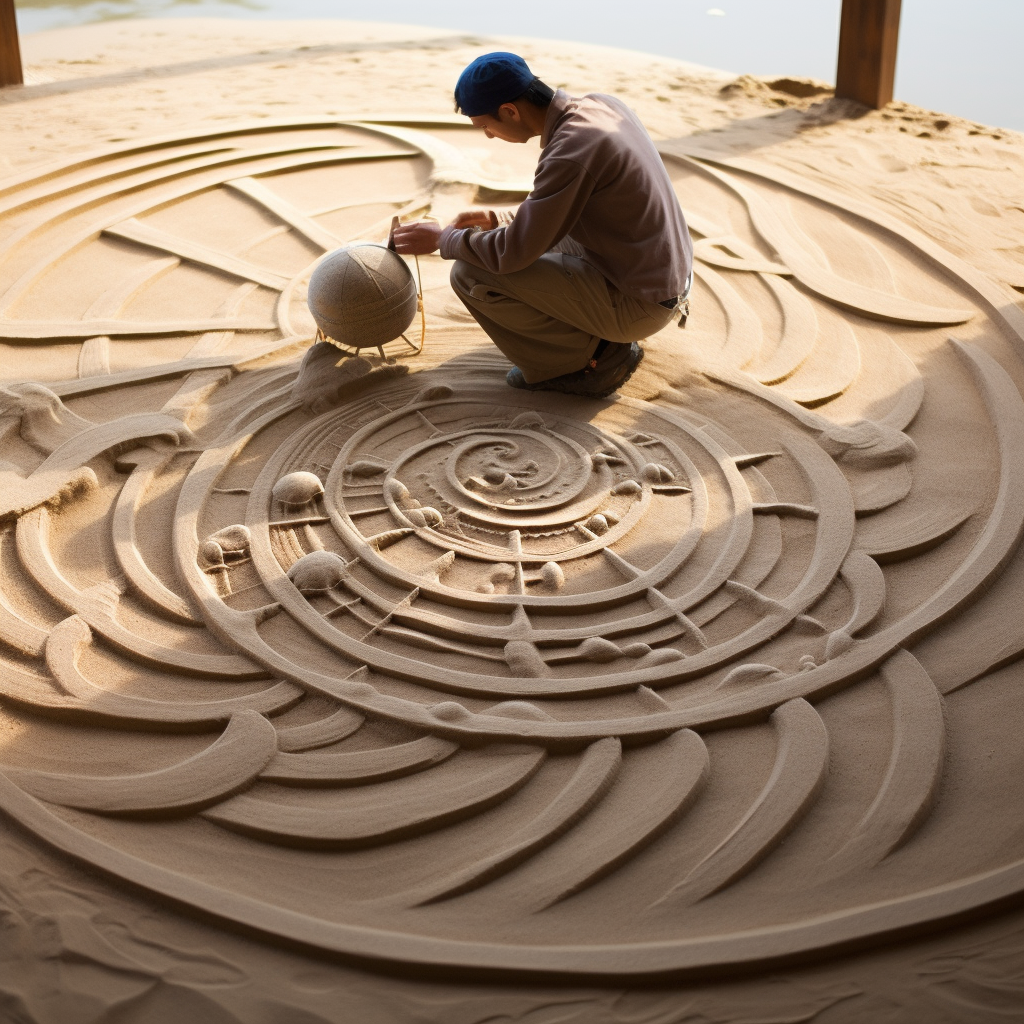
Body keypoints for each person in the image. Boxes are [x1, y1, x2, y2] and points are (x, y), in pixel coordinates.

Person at [392, 51, 693, 398]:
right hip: (664, 275)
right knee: (496, 240)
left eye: (485, 126)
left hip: (644, 303)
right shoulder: (601, 105)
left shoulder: (571, 151)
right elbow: (568, 204)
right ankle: (590, 336)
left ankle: (589, 361)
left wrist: (444, 239)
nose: (489, 136)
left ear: (509, 111)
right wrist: (496, 218)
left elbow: (511, 254)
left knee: (470, 273)